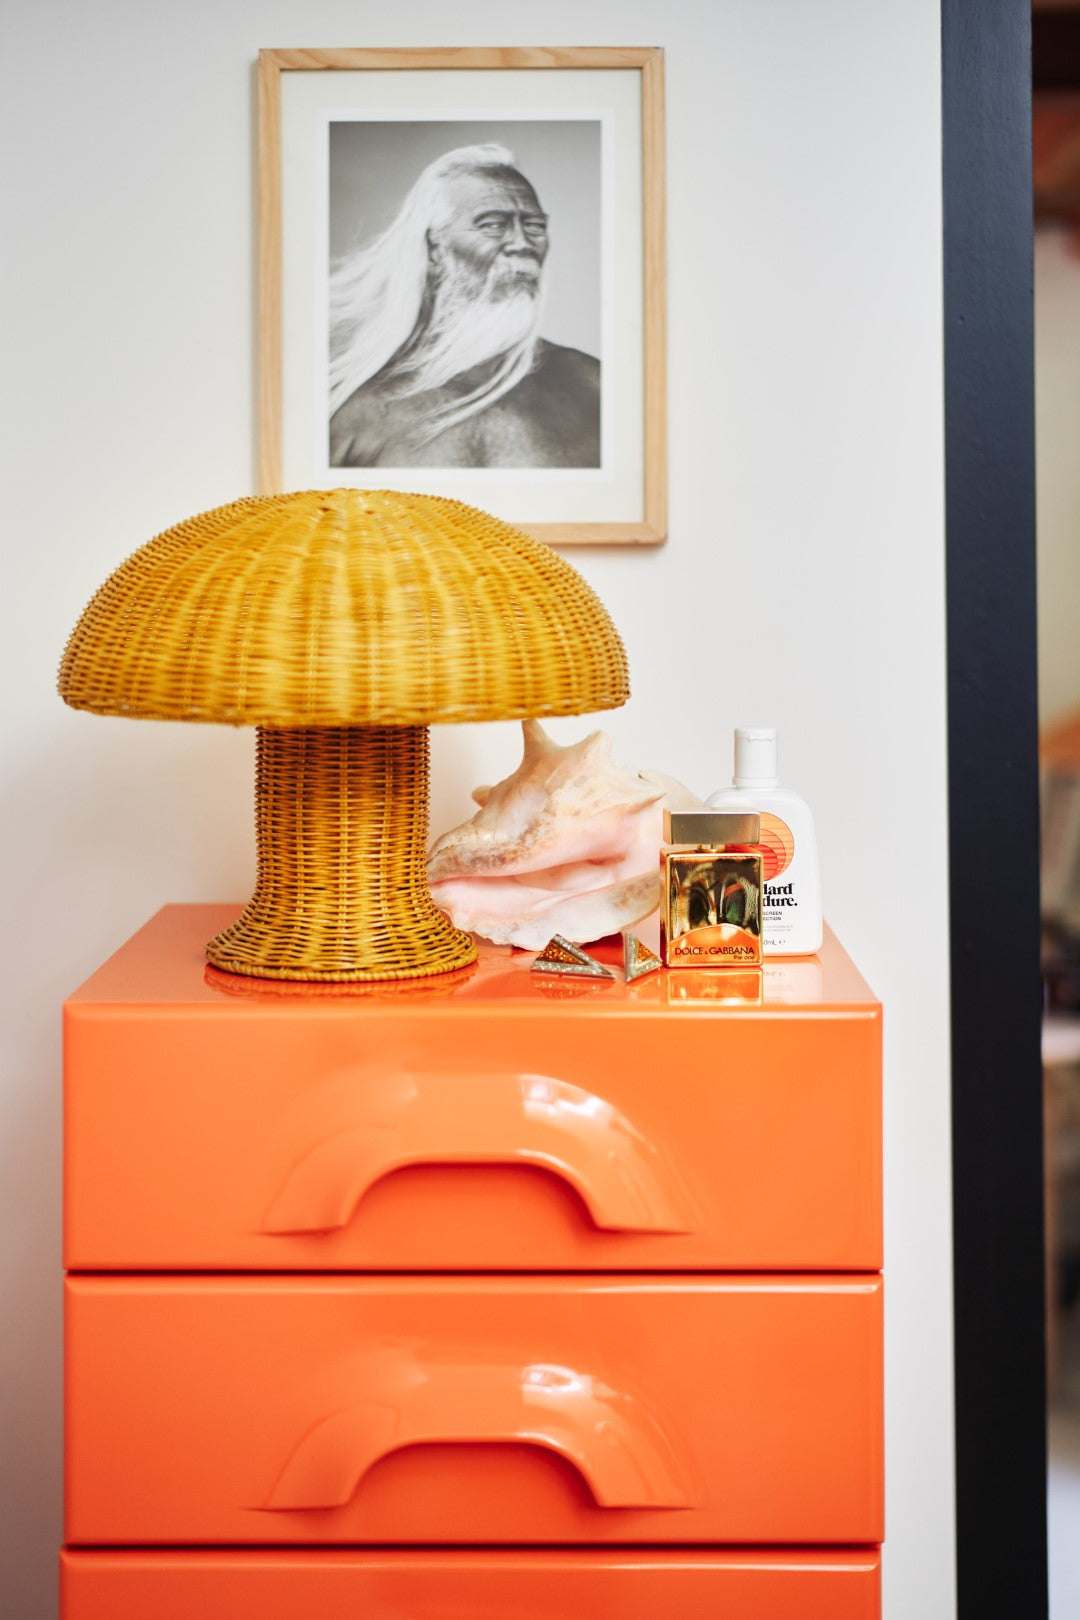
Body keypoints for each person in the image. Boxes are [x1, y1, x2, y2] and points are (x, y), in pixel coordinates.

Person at [328, 143, 600, 469]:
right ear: (434, 251)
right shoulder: (355, 411)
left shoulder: (593, 384)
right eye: (494, 225)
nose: (523, 243)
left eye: (534, 226)